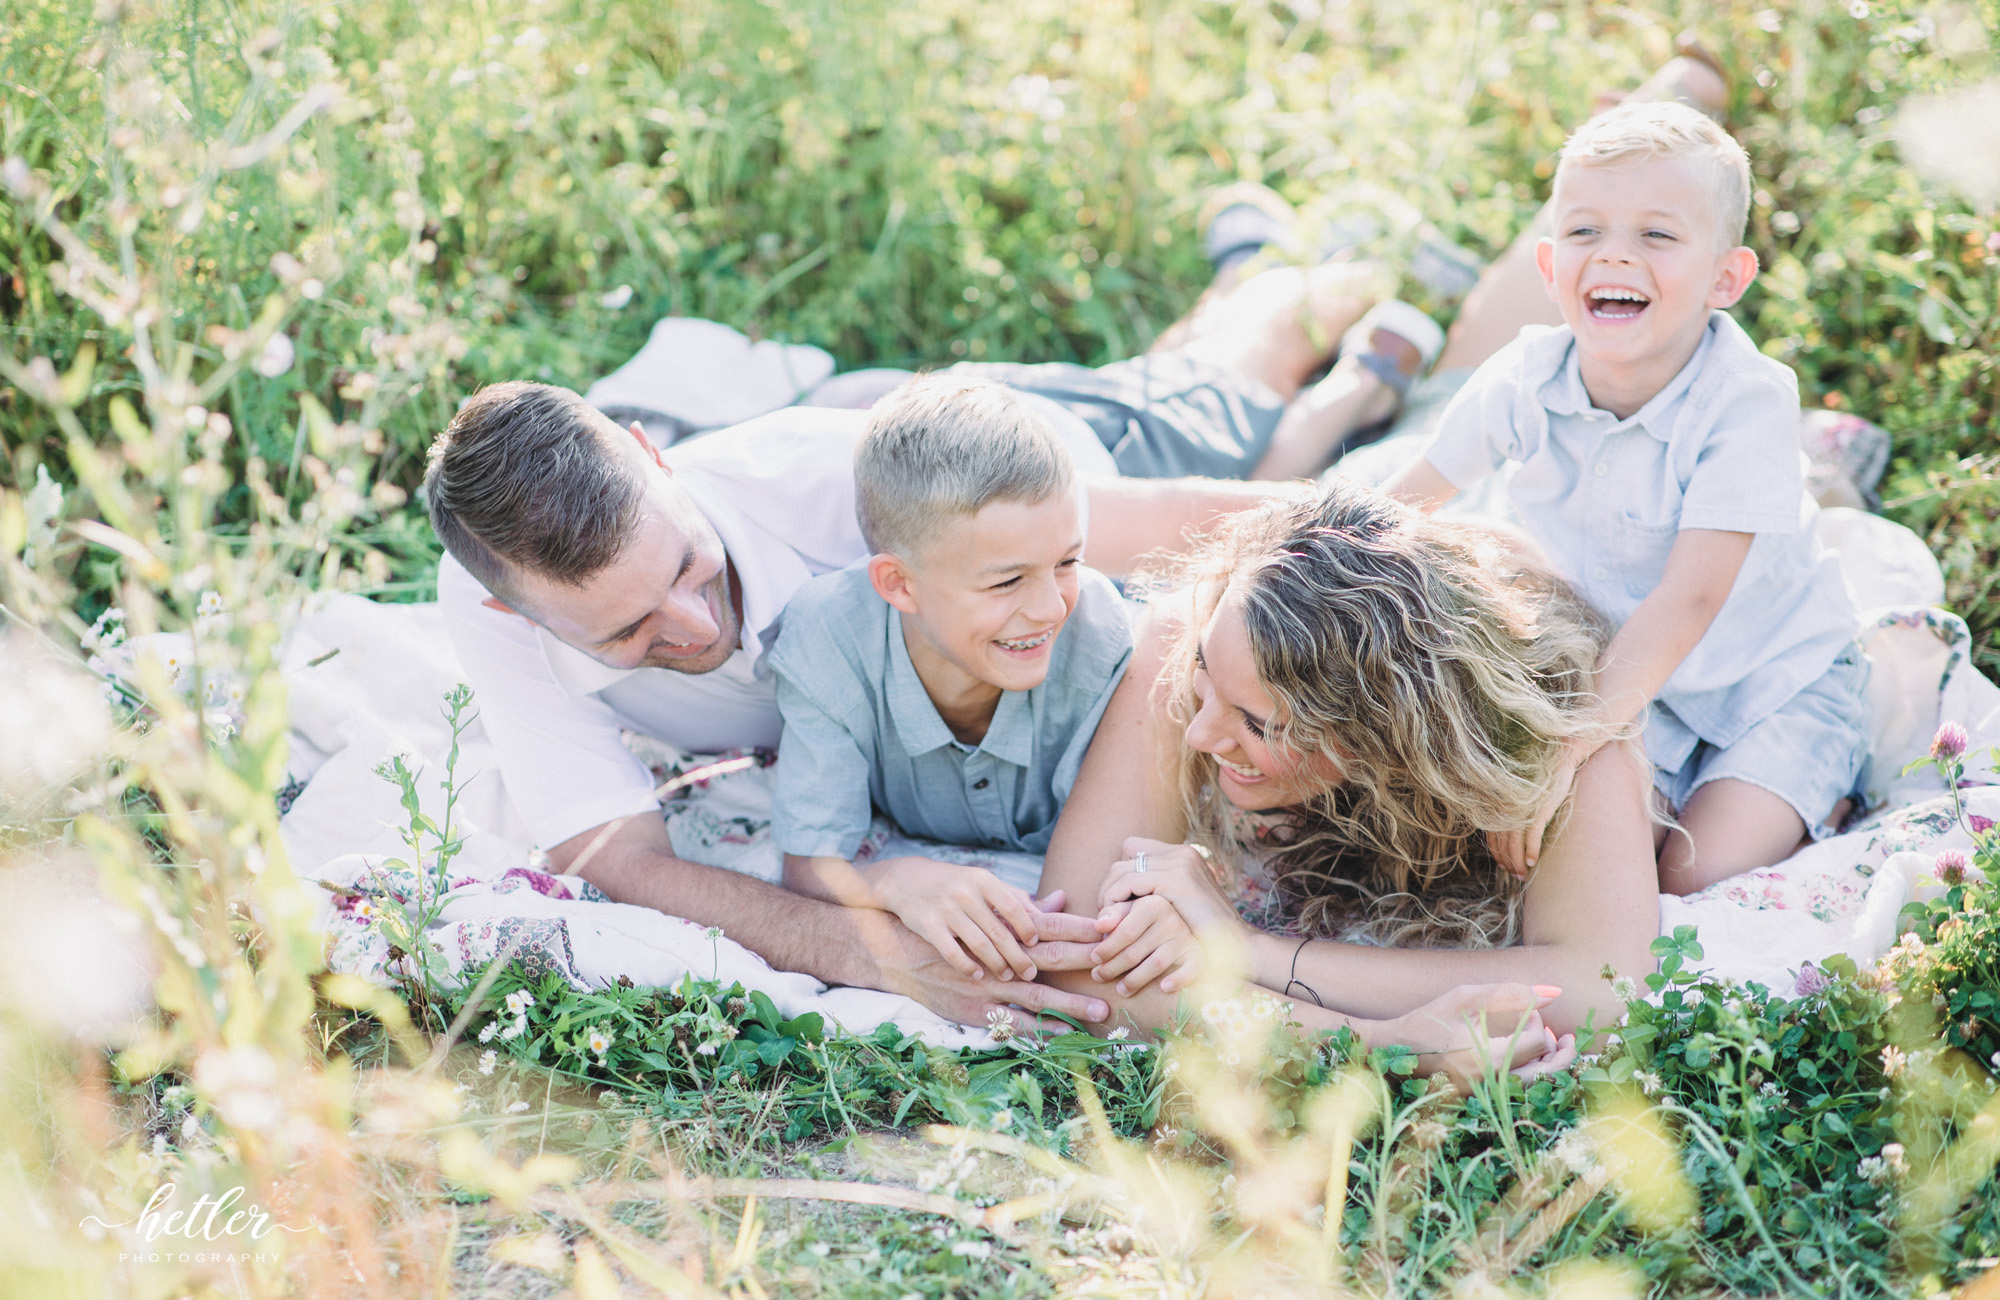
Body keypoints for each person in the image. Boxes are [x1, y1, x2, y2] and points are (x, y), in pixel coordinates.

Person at [425, 380, 1310, 1032]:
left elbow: (1163, 524)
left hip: (1054, 447)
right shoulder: (490, 606)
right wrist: (874, 951)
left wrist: (1391, 527)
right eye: (629, 630)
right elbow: (613, 851)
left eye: (691, 568)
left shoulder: (832, 474)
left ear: (656, 456)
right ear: (513, 609)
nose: (697, 628)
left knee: (1226, 394)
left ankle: (1339, 345)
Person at [1381, 102, 1866, 895]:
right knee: (1593, 856)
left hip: (1773, 680)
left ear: (1726, 277)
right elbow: (1404, 505)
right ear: (1547, 267)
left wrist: (1565, 748)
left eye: (1656, 235)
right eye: (1585, 232)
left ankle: (1830, 791)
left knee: (1691, 876)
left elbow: (1689, 599)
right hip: (1628, 678)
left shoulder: (1745, 401)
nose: (1614, 256)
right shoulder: (1523, 378)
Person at [1033, 481, 1661, 1041]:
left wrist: (1249, 951)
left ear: (1391, 735)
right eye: (1204, 675)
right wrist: (1386, 1045)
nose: (1198, 734)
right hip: (1369, 489)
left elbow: (1598, 992)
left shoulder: (1557, 708)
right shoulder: (1210, 625)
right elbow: (1080, 966)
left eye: (1259, 724)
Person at [769, 377, 1134, 986]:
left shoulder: (1102, 635)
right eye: (1005, 582)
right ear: (898, 584)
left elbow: (1114, 877)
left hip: (1122, 436)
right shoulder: (826, 641)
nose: (1049, 608)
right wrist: (892, 877)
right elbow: (810, 865)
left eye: (1067, 562)